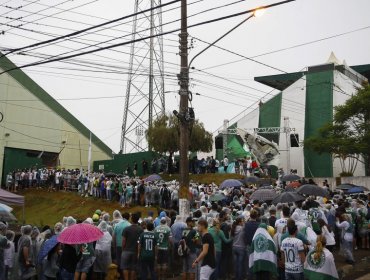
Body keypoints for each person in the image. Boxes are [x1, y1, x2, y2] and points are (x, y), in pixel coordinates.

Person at [121, 213, 143, 280]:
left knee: (125, 267)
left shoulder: (126, 229)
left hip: (126, 250)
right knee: (133, 267)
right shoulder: (140, 229)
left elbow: (123, 241)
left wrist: (123, 249)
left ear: (131, 219)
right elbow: (141, 242)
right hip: (135, 251)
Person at [243, 209, 260, 279]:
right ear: (256, 216)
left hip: (249, 245)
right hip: (256, 246)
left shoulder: (246, 224)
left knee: (249, 263)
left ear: (250, 216)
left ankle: (250, 277)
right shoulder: (259, 225)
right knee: (256, 262)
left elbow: (244, 235)